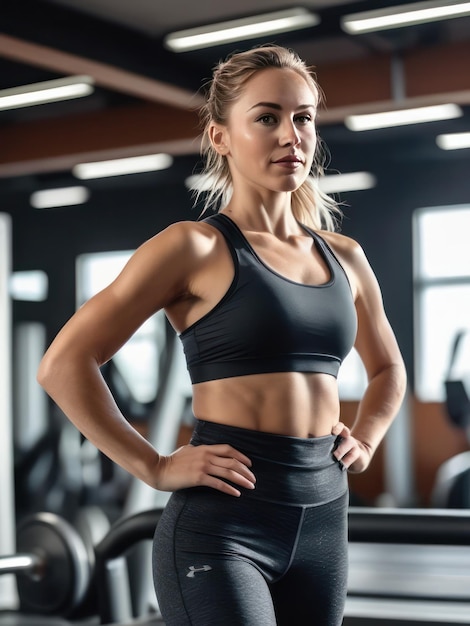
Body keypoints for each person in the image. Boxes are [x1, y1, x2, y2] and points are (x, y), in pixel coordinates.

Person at [37, 44, 407, 625]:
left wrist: (367, 437)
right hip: (224, 527)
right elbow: (64, 363)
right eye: (267, 118)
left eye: (303, 117)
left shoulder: (346, 257)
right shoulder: (194, 247)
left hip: (324, 520)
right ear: (221, 137)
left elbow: (387, 369)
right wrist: (154, 466)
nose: (292, 134)